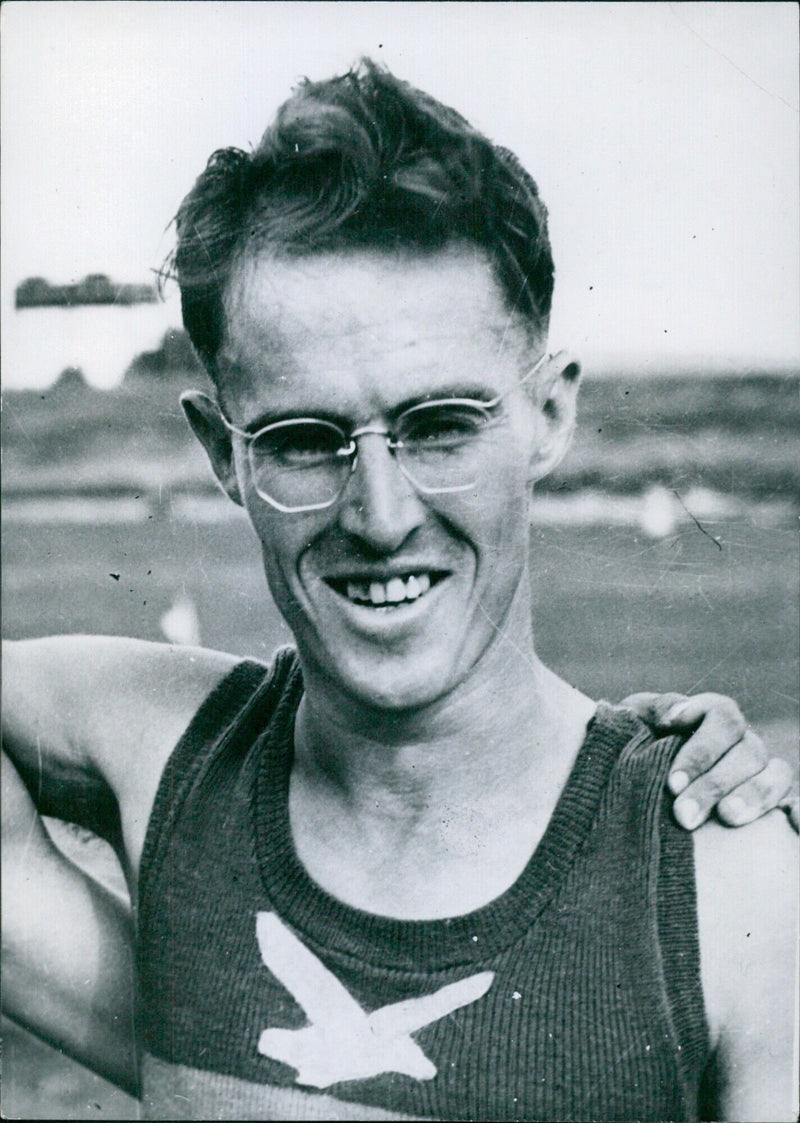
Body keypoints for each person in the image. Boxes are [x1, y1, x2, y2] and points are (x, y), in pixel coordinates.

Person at [2, 62, 797, 1122]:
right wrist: (162, 1036)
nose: (378, 514)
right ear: (220, 453)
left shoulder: (727, 882)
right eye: (301, 440)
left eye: (438, 425)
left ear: (548, 416)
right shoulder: (163, 752)